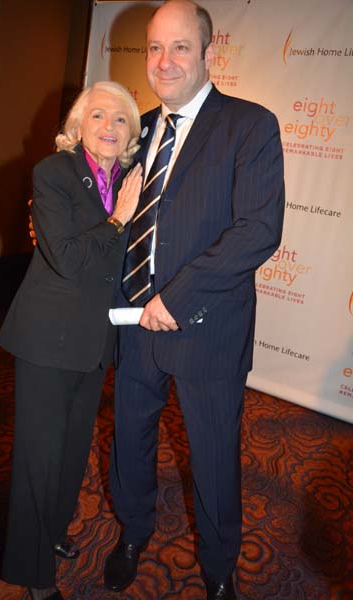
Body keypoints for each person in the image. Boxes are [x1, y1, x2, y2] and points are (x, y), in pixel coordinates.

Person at [103, 2, 285, 599]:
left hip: (206, 327)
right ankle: (133, 531)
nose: (164, 61)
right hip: (133, 322)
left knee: (212, 456)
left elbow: (258, 230)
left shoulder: (250, 125)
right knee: (130, 438)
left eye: (180, 47)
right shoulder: (138, 132)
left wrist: (176, 299)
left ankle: (218, 564)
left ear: (209, 53)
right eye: (154, 48)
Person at [0, 81, 142, 600]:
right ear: (78, 126)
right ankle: (33, 576)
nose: (109, 126)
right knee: (39, 457)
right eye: (98, 115)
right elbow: (69, 257)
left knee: (72, 454)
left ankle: (51, 534)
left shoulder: (129, 177)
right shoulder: (53, 173)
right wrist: (119, 218)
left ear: (131, 133)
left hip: (95, 341)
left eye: (121, 119)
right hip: (46, 340)